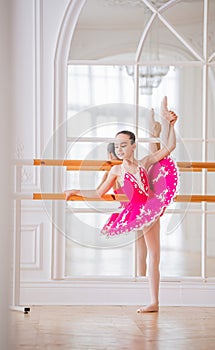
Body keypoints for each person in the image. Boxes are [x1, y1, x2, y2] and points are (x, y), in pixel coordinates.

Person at [65, 96, 178, 313]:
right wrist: (75, 191)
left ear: (133, 146)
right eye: (117, 146)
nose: (119, 149)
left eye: (124, 145)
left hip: (150, 206)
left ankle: (154, 301)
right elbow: (99, 193)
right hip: (137, 210)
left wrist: (171, 125)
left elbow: (170, 147)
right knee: (150, 254)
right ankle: (152, 300)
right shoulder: (116, 170)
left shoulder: (144, 162)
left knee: (154, 255)